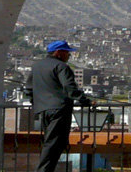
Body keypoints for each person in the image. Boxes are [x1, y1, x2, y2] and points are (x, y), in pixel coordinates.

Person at [29, 40, 91, 172]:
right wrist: (84, 100)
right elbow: (70, 88)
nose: (69, 55)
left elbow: (28, 89)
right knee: (54, 144)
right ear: (58, 52)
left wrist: (37, 103)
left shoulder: (36, 66)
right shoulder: (61, 67)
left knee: (50, 142)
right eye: (67, 52)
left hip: (43, 109)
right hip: (59, 110)